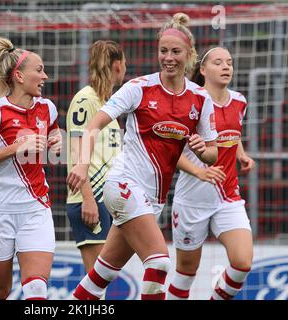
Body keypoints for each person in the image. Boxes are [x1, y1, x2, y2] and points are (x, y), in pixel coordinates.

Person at [67, 13, 219, 300]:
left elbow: (213, 153)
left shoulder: (201, 98)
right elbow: (93, 125)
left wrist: (203, 150)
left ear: (189, 55)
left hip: (153, 200)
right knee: (159, 261)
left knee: (103, 272)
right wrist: (83, 164)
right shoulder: (139, 88)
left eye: (176, 52)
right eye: (164, 51)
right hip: (123, 184)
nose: (168, 58)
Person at [0, 34, 62, 300]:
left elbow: (54, 133)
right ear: (19, 76)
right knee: (0, 291)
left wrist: (58, 140)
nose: (45, 77)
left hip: (35, 208)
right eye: (39, 70)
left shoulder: (47, 108)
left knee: (36, 288)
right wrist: (15, 148)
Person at [167, 47, 255, 300]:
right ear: (203, 70)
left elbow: (231, 133)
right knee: (185, 273)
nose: (226, 67)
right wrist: (199, 172)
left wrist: (241, 154)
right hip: (192, 201)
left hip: (227, 197)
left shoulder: (239, 101)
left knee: (243, 263)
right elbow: (172, 153)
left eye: (229, 62)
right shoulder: (190, 104)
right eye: (218, 63)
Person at [66, 40, 126, 274]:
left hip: (109, 198)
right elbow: (76, 150)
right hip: (89, 197)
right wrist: (88, 199)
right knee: (97, 278)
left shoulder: (110, 103)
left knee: (105, 276)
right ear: (118, 65)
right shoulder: (86, 99)